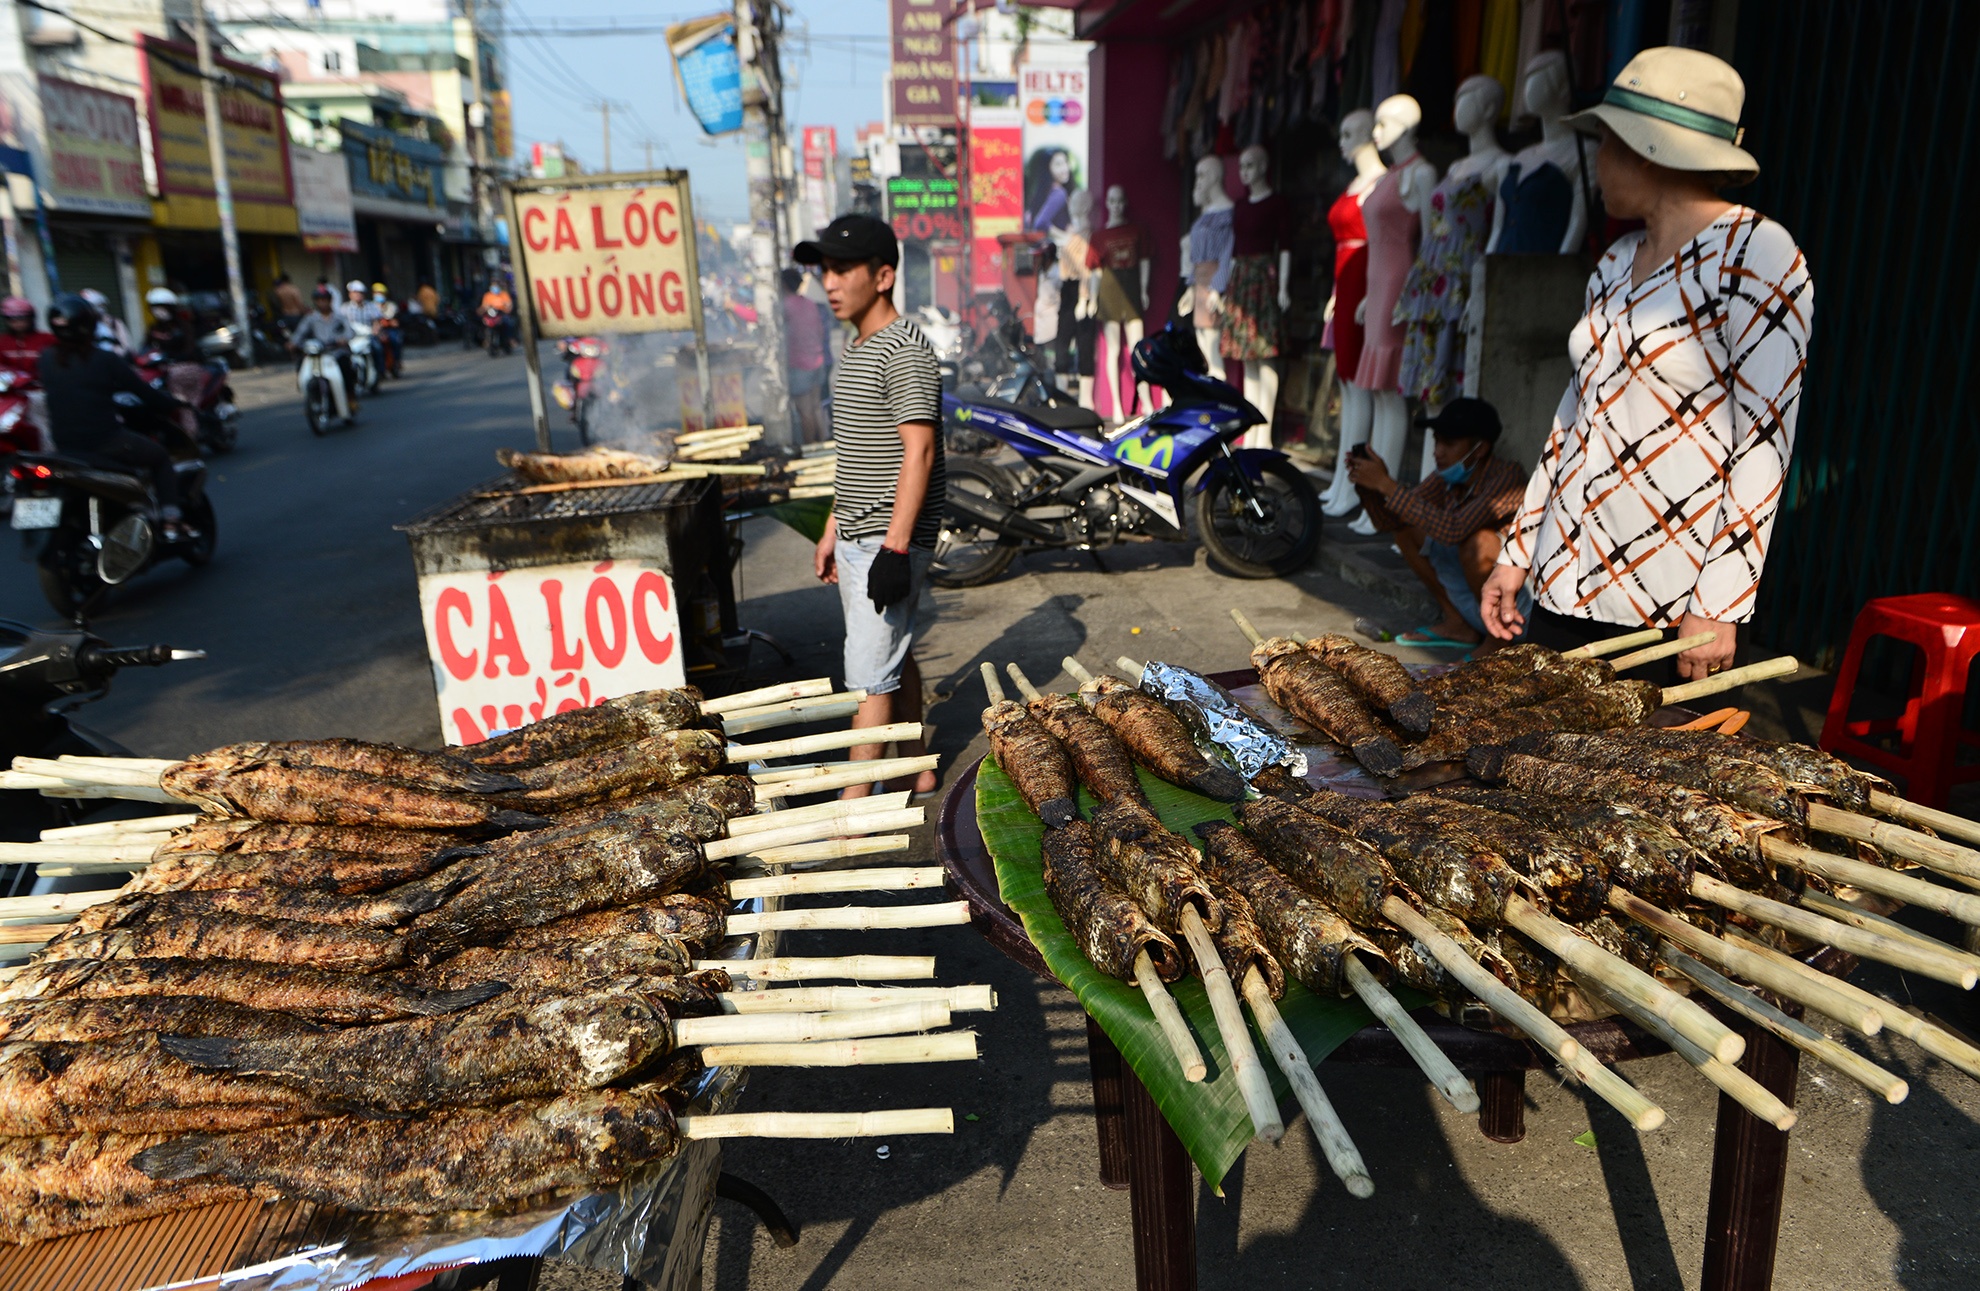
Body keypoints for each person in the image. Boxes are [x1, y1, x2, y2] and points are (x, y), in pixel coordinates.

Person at [1477, 48, 1813, 684]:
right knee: (1531, 767)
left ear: (1649, 149)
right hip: (1562, 579)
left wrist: (1719, 603)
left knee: (1628, 778)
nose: (1597, 162)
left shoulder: (1756, 253)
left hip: (1664, 603)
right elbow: (1571, 420)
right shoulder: (1613, 261)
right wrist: (1517, 552)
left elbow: (1765, 441)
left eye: (1605, 143)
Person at [795, 215, 946, 798]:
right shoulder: (856, 346)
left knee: (867, 679)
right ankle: (918, 764)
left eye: (842, 269)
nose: (829, 282)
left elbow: (921, 450)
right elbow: (857, 453)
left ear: (883, 276)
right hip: (860, 534)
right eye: (824, 270)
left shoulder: (904, 349)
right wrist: (834, 526)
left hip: (888, 538)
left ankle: (854, 805)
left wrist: (895, 549)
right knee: (892, 652)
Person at [1347, 397, 1529, 647]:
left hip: (1518, 609)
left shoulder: (1508, 476)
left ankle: (1497, 643)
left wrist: (1385, 484)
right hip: (1476, 600)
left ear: (1480, 449)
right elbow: (1391, 522)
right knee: (1406, 531)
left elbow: (1454, 529)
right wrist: (1370, 488)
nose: (1437, 451)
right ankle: (1458, 624)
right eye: (1437, 441)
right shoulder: (1446, 477)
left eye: (1449, 443)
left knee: (1480, 543)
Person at [38, 294, 191, 535]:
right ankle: (171, 519)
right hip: (104, 442)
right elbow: (144, 393)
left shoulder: (46, 359)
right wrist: (174, 403)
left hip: (64, 446)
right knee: (160, 457)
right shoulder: (105, 359)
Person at [288, 285, 357, 420]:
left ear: (330, 300)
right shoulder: (311, 318)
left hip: (335, 353)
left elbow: (350, 331)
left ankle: (350, 398)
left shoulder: (339, 317)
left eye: (324, 299)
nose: (322, 302)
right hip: (317, 354)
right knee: (301, 364)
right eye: (319, 300)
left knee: (345, 367)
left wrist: (343, 339)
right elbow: (299, 334)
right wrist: (293, 343)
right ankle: (310, 399)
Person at [781, 268, 829, 443]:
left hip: (800, 366)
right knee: (816, 407)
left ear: (784, 284)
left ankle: (811, 449)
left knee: (805, 411)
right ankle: (822, 444)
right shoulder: (810, 303)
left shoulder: (786, 305)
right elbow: (820, 332)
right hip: (818, 361)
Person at [0, 297, 54, 375]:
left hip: (41, 384)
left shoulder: (47, 339)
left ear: (31, 318)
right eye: (12, 319)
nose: (18, 323)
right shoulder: (2, 341)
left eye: (22, 318)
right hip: (10, 385)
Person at [142, 288, 196, 361]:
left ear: (170, 308)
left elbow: (189, 349)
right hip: (160, 365)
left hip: (181, 364)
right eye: (154, 309)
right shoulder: (154, 328)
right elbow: (146, 346)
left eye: (161, 308)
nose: (157, 312)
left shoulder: (182, 326)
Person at [76, 289, 131, 356]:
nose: (101, 309)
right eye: (99, 306)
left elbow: (126, 347)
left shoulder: (113, 322)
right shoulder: (79, 326)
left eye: (102, 305)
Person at [372, 282, 402, 377]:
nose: (379, 295)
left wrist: (388, 322)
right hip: (376, 331)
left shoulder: (391, 306)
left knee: (395, 341)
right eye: (377, 293)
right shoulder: (371, 306)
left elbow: (393, 321)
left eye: (381, 293)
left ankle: (396, 361)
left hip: (389, 330)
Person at [479, 277, 515, 352]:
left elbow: (509, 305)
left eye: (496, 286)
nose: (495, 288)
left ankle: (511, 339)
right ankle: (487, 340)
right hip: (491, 315)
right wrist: (481, 310)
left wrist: (507, 307)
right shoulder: (487, 296)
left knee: (508, 324)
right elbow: (484, 306)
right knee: (484, 324)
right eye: (493, 286)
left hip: (502, 314)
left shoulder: (504, 294)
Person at [272, 273, 304, 337]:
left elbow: (276, 304)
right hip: (296, 315)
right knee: (298, 335)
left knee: (288, 336)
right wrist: (303, 312)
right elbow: (299, 303)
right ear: (289, 280)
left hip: (285, 315)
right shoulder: (294, 290)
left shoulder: (278, 291)